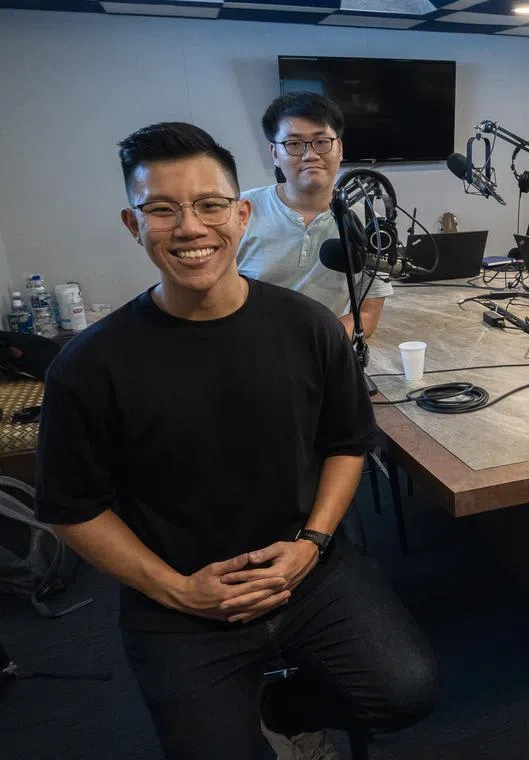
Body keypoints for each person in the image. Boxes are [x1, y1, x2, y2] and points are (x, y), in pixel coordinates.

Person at [35, 122, 435, 760]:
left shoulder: (309, 327)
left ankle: (285, 710)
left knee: (407, 692)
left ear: (241, 214)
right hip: (178, 594)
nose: (189, 227)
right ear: (133, 224)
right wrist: (176, 589)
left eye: (209, 205)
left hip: (306, 568)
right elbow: (71, 509)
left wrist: (311, 544)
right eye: (161, 210)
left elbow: (347, 443)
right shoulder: (88, 366)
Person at [237, 92, 391, 339]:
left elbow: (368, 313)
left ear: (339, 149)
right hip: (250, 348)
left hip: (325, 351)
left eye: (321, 141)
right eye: (294, 144)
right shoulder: (239, 211)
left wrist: (318, 347)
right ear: (274, 153)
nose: (310, 155)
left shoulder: (366, 220)